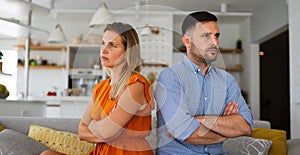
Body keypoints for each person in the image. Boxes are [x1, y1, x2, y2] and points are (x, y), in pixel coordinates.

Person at [41, 22, 154, 155]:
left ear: (128, 52)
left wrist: (93, 125)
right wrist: (105, 132)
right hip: (100, 152)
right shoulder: (100, 88)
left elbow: (106, 132)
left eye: (112, 45)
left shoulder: (136, 85)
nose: (104, 50)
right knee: (47, 154)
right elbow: (82, 131)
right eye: (103, 43)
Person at [154, 11, 253, 154]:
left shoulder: (227, 80)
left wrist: (199, 120)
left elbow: (245, 126)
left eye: (216, 36)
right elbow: (186, 132)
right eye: (206, 36)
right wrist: (226, 127)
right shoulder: (170, 77)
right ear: (187, 41)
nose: (215, 42)